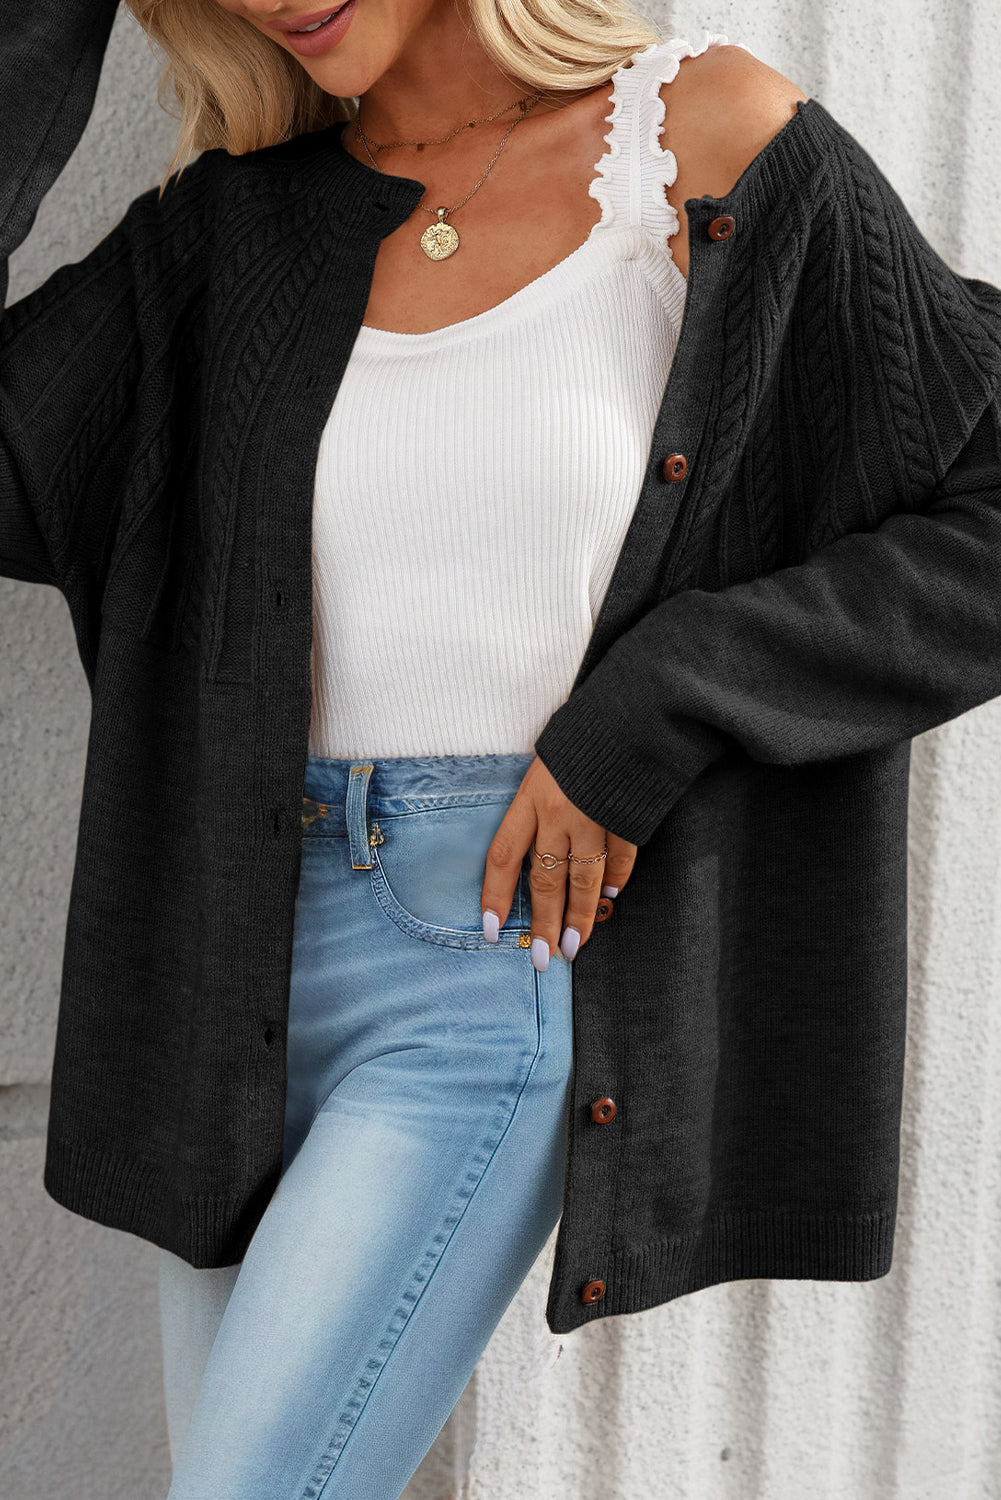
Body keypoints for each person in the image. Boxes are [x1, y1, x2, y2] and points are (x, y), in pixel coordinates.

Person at [3, 1, 1000, 1496]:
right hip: (227, 989)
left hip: (489, 960)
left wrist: (658, 706)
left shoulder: (693, 140)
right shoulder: (230, 232)